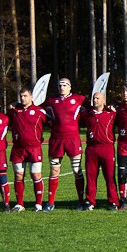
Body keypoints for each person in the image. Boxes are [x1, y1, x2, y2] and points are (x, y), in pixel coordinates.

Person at [42, 78, 87, 211]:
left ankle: (80, 201)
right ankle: (50, 202)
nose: (62, 87)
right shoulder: (51, 101)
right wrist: (48, 123)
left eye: (65, 85)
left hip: (73, 139)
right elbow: (39, 112)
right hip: (56, 139)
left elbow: (92, 110)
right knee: (54, 170)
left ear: (70, 87)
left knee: (76, 170)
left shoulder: (80, 99)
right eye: (60, 85)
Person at [7, 87, 48, 212]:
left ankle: (38, 204)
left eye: (25, 96)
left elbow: (52, 123)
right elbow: (5, 123)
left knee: (36, 175)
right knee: (18, 175)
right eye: (21, 96)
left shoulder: (40, 111)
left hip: (34, 148)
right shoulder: (14, 111)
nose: (23, 98)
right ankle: (20, 204)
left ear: (31, 97)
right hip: (18, 148)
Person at [79, 92, 119, 210]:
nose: (95, 100)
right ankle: (90, 201)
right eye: (94, 98)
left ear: (103, 100)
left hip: (107, 148)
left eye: (97, 98)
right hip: (91, 148)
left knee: (110, 176)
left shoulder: (111, 114)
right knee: (91, 177)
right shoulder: (87, 114)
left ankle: (113, 201)